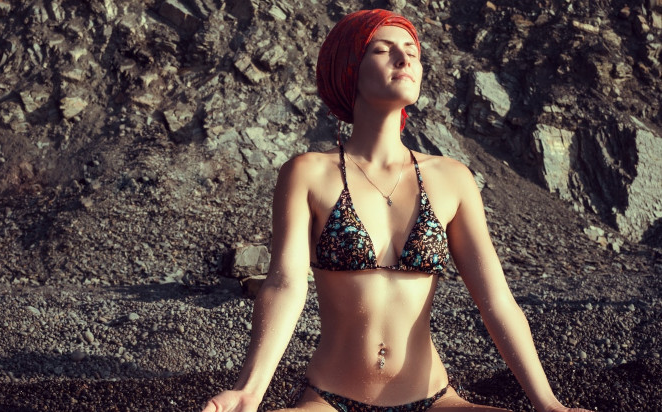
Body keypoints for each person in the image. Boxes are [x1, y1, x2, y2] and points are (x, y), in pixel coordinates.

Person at [202, 9, 591, 412]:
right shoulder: (308, 173)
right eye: (383, 50)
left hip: (434, 399)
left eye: (412, 52)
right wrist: (248, 391)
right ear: (350, 68)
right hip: (330, 401)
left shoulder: (452, 178)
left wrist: (548, 404)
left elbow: (496, 300)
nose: (404, 60)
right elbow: (285, 285)